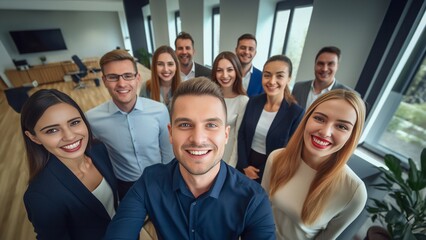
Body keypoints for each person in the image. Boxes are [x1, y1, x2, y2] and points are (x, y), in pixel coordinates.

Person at [104, 77, 276, 240]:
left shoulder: (254, 199)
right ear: (171, 133)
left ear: (225, 135)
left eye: (211, 125)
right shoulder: (150, 181)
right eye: (185, 125)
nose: (198, 139)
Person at [261, 89, 367, 239]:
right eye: (320, 119)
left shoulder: (354, 192)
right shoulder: (276, 158)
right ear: (307, 119)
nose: (325, 132)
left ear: (351, 136)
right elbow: (260, 209)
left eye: (342, 126)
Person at [21, 89, 118, 239]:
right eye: (52, 130)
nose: (70, 136)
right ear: (34, 138)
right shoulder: (40, 197)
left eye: (74, 122)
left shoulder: (99, 150)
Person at [86, 49, 174, 200]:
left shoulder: (159, 111)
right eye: (113, 77)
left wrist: (169, 180)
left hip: (159, 179)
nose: (122, 83)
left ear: (137, 78)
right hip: (125, 186)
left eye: (128, 76)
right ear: (105, 80)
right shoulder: (92, 119)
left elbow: (168, 152)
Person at [237, 55, 304, 183]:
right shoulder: (253, 101)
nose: (272, 81)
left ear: (289, 78)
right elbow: (242, 134)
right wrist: (244, 165)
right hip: (244, 165)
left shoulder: (295, 113)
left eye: (279, 76)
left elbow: (290, 151)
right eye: (267, 75)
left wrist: (261, 172)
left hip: (271, 170)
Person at [211, 51, 249, 167]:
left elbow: (238, 137)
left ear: (236, 71)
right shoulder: (209, 96)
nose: (225, 75)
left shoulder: (242, 100)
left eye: (229, 70)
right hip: (208, 151)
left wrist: (231, 166)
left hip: (227, 155)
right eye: (219, 70)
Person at [139, 45, 182, 110]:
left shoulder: (184, 88)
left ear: (176, 66)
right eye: (160, 64)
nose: (166, 69)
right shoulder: (146, 87)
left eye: (170, 64)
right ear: (154, 67)